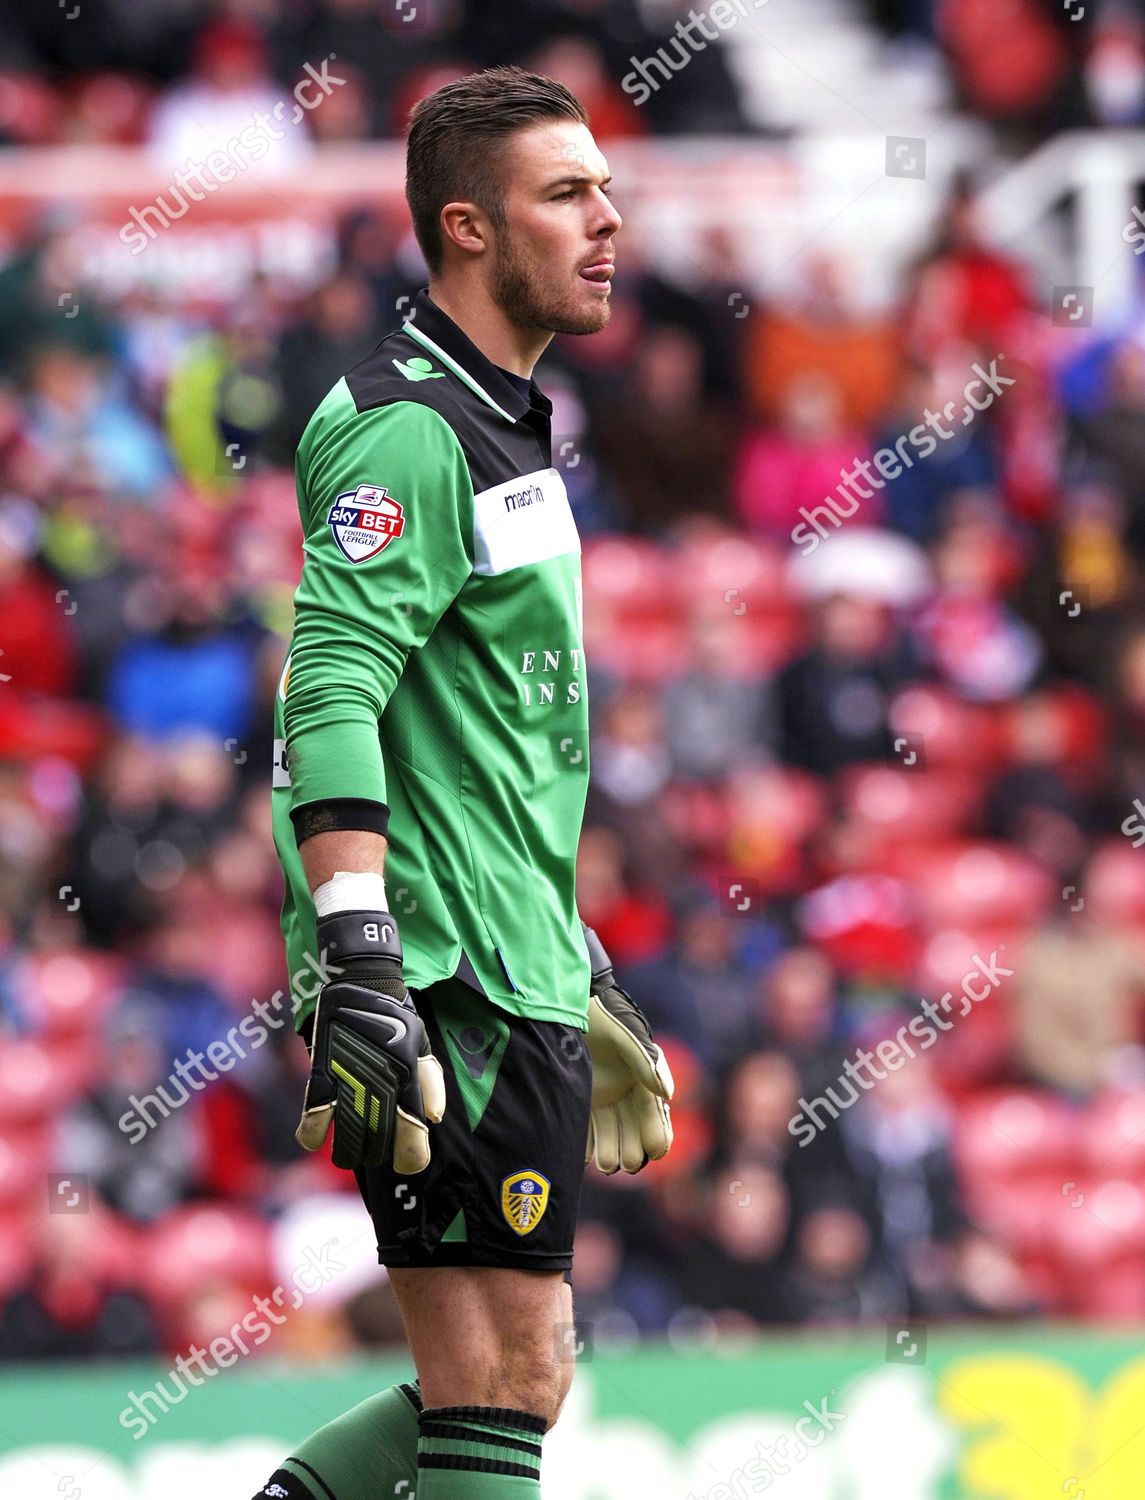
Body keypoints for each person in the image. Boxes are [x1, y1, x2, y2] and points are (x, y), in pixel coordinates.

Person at [253, 66, 675, 1500]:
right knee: (501, 1375)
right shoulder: (407, 426)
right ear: (469, 228)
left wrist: (568, 950)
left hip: (506, 954)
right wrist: (362, 949)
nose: (607, 220)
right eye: (566, 195)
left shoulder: (501, 419)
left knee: (509, 1376)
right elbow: (332, 686)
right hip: (435, 964)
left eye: (604, 189)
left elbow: (483, 734)